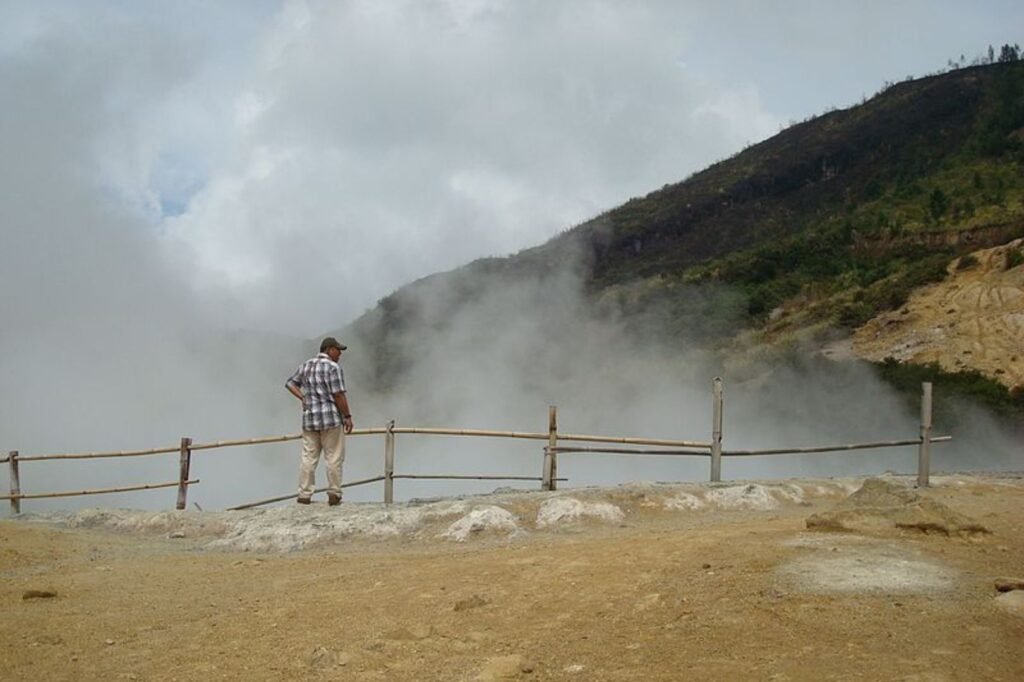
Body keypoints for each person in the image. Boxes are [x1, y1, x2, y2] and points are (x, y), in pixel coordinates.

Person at [285, 337, 354, 505]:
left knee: (309, 457)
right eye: (338, 350)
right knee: (333, 456)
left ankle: (304, 494)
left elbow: (290, 383)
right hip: (330, 417)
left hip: (310, 418)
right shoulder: (333, 368)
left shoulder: (306, 366)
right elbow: (338, 394)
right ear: (329, 349)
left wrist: (303, 397)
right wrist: (347, 416)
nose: (340, 354)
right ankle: (334, 492)